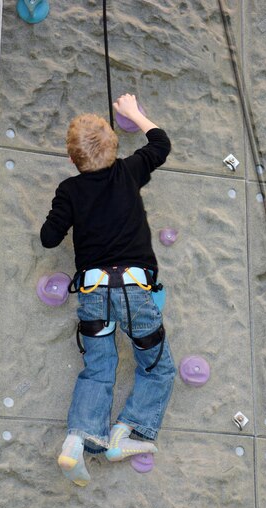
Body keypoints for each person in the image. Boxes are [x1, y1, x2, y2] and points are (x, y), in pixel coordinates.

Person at [40, 94, 176, 486]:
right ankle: (126, 432)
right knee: (156, 366)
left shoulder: (69, 190)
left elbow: (50, 238)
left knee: (99, 369)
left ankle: (77, 439)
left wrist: (64, 211)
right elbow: (160, 145)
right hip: (135, 290)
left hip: (93, 293)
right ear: (115, 147)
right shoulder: (130, 170)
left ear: (73, 160)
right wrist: (134, 112)